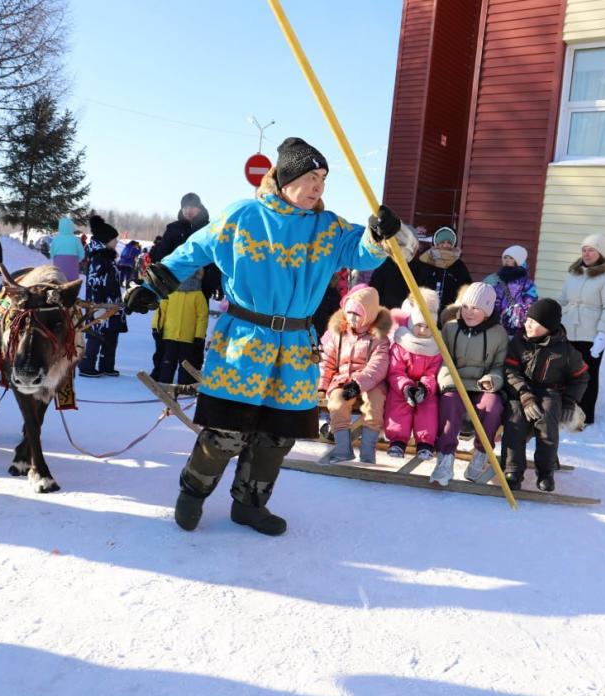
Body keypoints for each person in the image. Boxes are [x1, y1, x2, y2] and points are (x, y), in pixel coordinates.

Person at [124, 136, 414, 536]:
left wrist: (378, 234)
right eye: (311, 177)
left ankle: (249, 504)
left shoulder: (327, 227)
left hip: (295, 345)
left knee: (278, 436)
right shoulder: (243, 216)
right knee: (227, 430)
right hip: (244, 339)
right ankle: (193, 493)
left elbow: (362, 251)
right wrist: (152, 286)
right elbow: (192, 251)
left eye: (324, 179)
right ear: (286, 178)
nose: (319, 187)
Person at [501, 299, 589, 492]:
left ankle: (546, 471)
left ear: (548, 327)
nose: (527, 324)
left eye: (534, 322)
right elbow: (509, 371)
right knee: (515, 420)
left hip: (549, 391)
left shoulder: (565, 351)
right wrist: (524, 394)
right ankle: (513, 470)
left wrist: (569, 402)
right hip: (520, 393)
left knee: (548, 420)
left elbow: (581, 377)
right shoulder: (519, 343)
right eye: (527, 319)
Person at [432, 282, 508, 486]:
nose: (468, 312)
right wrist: (448, 382)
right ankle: (445, 457)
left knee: (492, 407)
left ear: (487, 310)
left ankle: (481, 453)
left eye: (475, 308)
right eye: (465, 306)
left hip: (482, 386)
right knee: (449, 404)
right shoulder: (451, 328)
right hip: (455, 383)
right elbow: (443, 360)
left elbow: (500, 365)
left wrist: (493, 380)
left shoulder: (499, 334)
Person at [320, 284, 392, 464]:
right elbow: (326, 361)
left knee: (375, 404)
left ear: (369, 315)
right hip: (342, 379)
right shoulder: (337, 333)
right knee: (337, 402)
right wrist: (322, 386)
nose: (351, 318)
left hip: (370, 381)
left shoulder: (379, 338)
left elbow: (378, 366)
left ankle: (368, 451)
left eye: (357, 314)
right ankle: (343, 448)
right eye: (349, 312)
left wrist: (358, 384)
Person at [558, 233, 605, 425]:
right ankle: (564, 412)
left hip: (590, 333)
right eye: (584, 250)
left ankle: (584, 416)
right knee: (565, 373)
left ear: (600, 252)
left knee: (587, 375)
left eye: (591, 250)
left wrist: (603, 334)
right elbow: (562, 300)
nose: (586, 253)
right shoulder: (573, 274)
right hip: (568, 330)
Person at [384, 288, 442, 461]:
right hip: (402, 386)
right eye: (419, 326)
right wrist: (406, 387)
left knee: (428, 409)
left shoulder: (435, 347)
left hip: (425, 387)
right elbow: (395, 371)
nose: (423, 330)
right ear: (411, 324)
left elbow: (433, 373)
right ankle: (397, 441)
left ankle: (425, 444)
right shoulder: (401, 342)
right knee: (398, 405)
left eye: (427, 327)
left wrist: (425, 388)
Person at [368, 226, 472, 311]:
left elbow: (466, 289)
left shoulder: (458, 266)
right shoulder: (424, 261)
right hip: (422, 313)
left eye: (449, 242)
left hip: (447, 314)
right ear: (436, 242)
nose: (445, 245)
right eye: (442, 242)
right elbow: (408, 284)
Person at [151, 192, 223, 301]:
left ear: (199, 208)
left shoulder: (208, 229)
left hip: (201, 289)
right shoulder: (173, 228)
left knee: (198, 317)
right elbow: (161, 255)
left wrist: (212, 285)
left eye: (192, 207)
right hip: (173, 287)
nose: (188, 210)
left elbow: (216, 259)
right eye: (185, 207)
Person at [78, 215, 125, 377]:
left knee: (111, 335)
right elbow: (98, 281)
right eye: (114, 239)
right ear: (106, 240)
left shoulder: (106, 257)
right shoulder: (101, 258)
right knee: (96, 334)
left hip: (110, 304)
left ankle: (106, 365)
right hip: (101, 304)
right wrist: (104, 300)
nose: (116, 242)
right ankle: (87, 365)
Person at [154, 269, 208, 384]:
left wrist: (199, 335)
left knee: (184, 365)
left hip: (186, 337)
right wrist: (156, 328)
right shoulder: (170, 292)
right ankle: (165, 384)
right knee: (168, 363)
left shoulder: (197, 295)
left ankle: (183, 386)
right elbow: (161, 311)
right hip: (172, 335)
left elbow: (202, 317)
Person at [483, 244, 538, 337]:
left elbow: (531, 303)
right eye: (505, 257)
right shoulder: (495, 279)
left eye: (511, 258)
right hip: (495, 323)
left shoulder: (526, 283)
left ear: (518, 261)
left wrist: (518, 312)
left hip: (517, 325)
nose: (507, 260)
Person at [48, 216, 85, 285]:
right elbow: (82, 254)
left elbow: (51, 254)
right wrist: (76, 260)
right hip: (73, 269)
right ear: (71, 227)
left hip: (59, 271)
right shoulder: (76, 239)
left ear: (60, 227)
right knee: (72, 289)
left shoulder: (55, 239)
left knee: (59, 289)